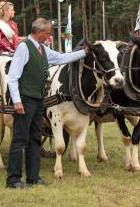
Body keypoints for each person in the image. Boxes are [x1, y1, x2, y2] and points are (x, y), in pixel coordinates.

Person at [6, 18, 90, 189]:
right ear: (38, 32)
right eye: (48, 33)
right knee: (20, 139)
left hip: (38, 100)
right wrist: (17, 101)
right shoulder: (24, 48)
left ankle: (33, 177)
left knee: (35, 139)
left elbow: (61, 58)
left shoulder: (42, 49)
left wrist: (83, 52)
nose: (49, 36)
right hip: (25, 99)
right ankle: (13, 180)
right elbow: (13, 77)